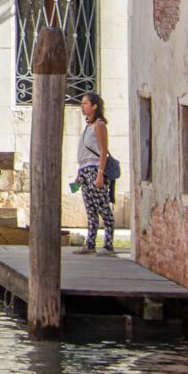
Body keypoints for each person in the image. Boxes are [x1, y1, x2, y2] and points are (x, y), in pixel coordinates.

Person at [73, 91, 117, 254]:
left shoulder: (99, 125)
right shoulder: (88, 127)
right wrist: (79, 175)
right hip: (84, 170)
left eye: (85, 103)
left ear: (94, 106)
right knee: (90, 208)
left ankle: (108, 244)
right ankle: (90, 243)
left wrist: (100, 173)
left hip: (95, 170)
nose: (82, 106)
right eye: (82, 103)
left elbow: (103, 150)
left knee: (103, 207)